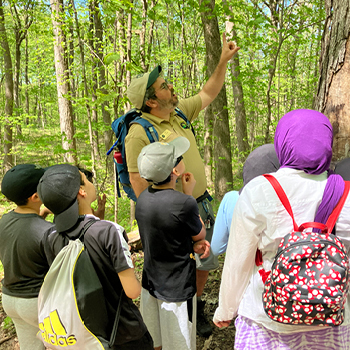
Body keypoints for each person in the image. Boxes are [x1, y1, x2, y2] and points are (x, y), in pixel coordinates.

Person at [125, 33, 240, 337]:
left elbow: (208, 93)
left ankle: (196, 308)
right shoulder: (138, 133)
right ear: (151, 100)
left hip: (198, 202)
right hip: (172, 213)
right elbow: (138, 180)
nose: (170, 86)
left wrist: (222, 62)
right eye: (164, 86)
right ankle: (176, 321)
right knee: (181, 266)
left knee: (204, 258)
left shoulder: (179, 113)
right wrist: (162, 217)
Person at [213, 109, 350, 350]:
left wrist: (226, 310)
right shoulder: (345, 194)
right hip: (330, 317)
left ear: (282, 143)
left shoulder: (260, 190)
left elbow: (238, 260)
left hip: (266, 318)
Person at [37, 164, 153, 350]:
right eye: (85, 178)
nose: (90, 182)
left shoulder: (50, 236)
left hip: (82, 334)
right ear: (81, 191)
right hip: (122, 334)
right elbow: (132, 291)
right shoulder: (109, 231)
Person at [135, 137, 210, 350]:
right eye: (179, 158)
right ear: (174, 171)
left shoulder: (143, 199)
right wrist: (189, 194)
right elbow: (200, 233)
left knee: (155, 339)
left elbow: (165, 234)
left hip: (151, 282)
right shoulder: (184, 203)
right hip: (177, 288)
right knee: (180, 343)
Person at [0, 164, 54, 350]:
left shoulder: (4, 221)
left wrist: (42, 214)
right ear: (36, 197)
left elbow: (25, 232)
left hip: (10, 300)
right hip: (36, 301)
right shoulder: (47, 231)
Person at [211, 144, 279, 256]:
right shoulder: (286, 205)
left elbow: (216, 248)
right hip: (274, 270)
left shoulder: (230, 199)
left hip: (238, 270)